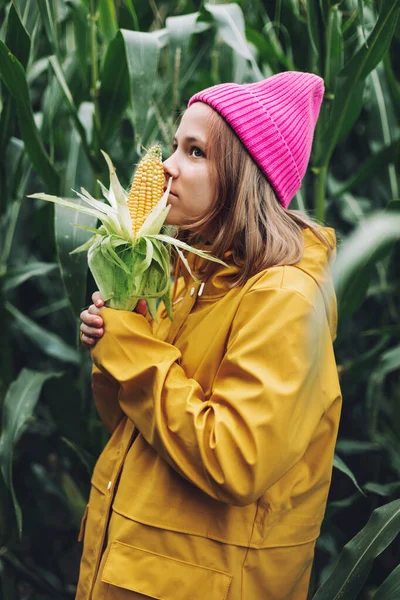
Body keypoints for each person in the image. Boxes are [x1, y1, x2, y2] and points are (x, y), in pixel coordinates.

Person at [77, 71, 342, 600]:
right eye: (176, 145)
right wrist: (114, 339)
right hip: (134, 571)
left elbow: (235, 459)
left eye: (195, 152)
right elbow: (135, 432)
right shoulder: (186, 278)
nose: (167, 166)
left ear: (245, 177)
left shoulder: (287, 299)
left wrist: (131, 349)